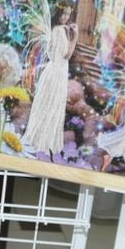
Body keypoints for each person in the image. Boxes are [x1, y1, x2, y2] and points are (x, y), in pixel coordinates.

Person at [23, 14, 77, 156]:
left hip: (54, 71)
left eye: (68, 14)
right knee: (52, 106)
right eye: (64, 13)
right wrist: (75, 37)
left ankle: (41, 141)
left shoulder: (57, 29)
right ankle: (45, 143)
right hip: (57, 74)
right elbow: (67, 55)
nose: (66, 17)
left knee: (48, 106)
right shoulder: (59, 30)